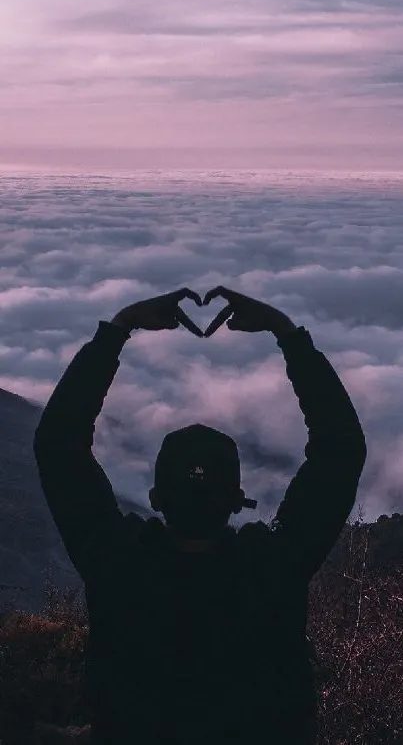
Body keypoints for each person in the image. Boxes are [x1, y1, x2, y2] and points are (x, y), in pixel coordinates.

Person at [33, 286, 367, 745]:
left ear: (154, 497)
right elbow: (340, 449)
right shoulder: (274, 569)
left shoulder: (115, 564)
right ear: (237, 499)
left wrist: (119, 328)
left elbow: (58, 445)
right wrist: (286, 333)